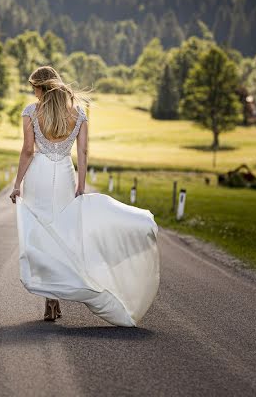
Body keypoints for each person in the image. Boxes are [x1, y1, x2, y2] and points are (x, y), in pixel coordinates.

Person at [9, 66, 160, 326]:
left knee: (42, 234)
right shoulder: (77, 114)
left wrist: (17, 184)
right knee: (64, 234)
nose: (33, 92)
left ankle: (50, 297)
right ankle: (53, 295)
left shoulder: (31, 112)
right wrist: (81, 185)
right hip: (65, 176)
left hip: (39, 177)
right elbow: (83, 152)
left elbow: (27, 151)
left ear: (41, 87)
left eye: (34, 86)